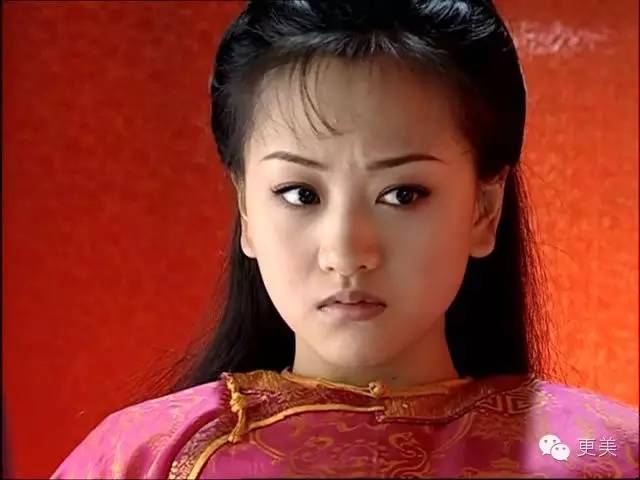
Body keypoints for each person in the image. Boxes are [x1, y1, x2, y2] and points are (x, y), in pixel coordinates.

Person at [51, 0, 639, 478]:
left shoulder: (605, 454)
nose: (348, 253)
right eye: (300, 194)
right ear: (247, 210)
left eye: (403, 194)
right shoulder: (138, 459)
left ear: (484, 210)